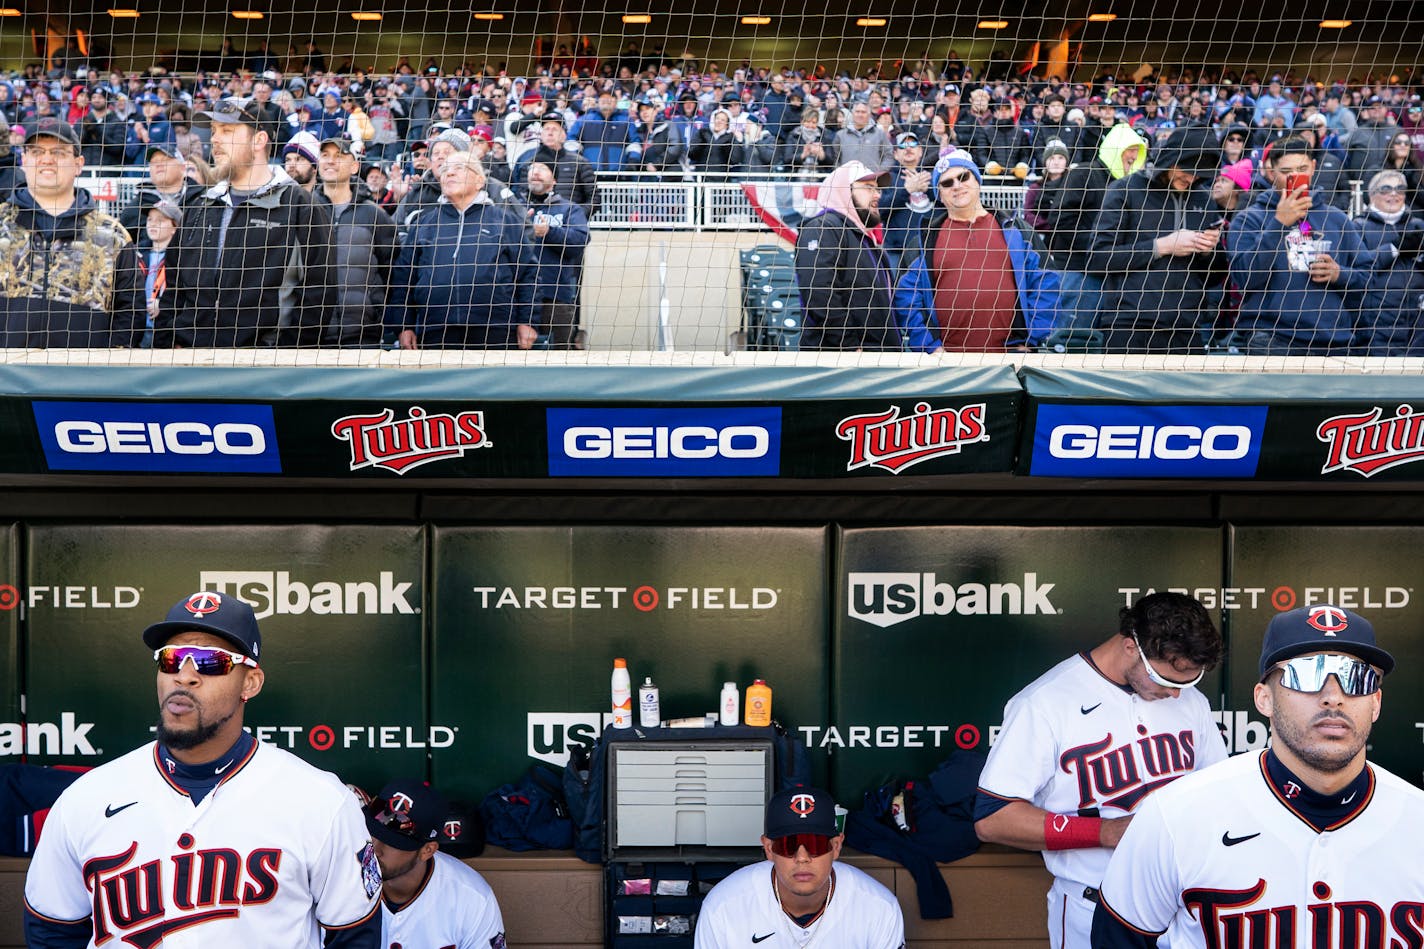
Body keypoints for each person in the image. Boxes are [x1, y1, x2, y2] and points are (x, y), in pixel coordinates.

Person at [22, 591, 382, 947]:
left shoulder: (319, 800)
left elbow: (354, 935)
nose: (185, 676)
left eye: (211, 661)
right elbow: (53, 930)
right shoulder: (86, 798)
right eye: (172, 658)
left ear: (250, 683)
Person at [1091, 605, 1419, 949]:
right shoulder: (1174, 816)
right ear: (1264, 699)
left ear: (1376, 702)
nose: (1333, 697)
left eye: (1356, 677)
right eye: (1305, 673)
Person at [974, 592, 1227, 949]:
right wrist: (1106, 831)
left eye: (1186, 682)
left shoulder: (1191, 702)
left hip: (1181, 909)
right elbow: (993, 818)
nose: (1175, 694)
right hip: (1091, 907)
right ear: (1129, 646)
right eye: (1166, 679)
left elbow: (1219, 795)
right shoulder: (1045, 703)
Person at [158, 99, 335, 347]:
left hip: (264, 367)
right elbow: (174, 286)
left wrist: (288, 354)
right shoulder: (200, 205)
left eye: (227, 131)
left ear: (259, 141)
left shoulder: (299, 206)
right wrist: (168, 342)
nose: (215, 140)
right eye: (213, 131)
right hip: (191, 362)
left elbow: (320, 293)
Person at [694, 786, 905, 949]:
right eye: (789, 846)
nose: (802, 858)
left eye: (816, 845)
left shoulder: (879, 907)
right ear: (768, 848)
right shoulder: (723, 906)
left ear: (836, 846)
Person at [894, 149, 1060, 352]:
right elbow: (907, 299)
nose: (957, 185)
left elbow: (1045, 282)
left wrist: (1031, 340)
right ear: (940, 194)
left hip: (1010, 358)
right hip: (947, 361)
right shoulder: (924, 241)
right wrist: (929, 347)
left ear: (977, 181)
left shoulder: (1016, 230)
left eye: (963, 177)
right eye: (947, 183)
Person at [0, 118, 143, 347]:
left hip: (83, 377)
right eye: (37, 152)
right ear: (24, 160)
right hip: (7, 377)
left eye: (58, 152)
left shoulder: (113, 236)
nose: (47, 159)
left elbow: (130, 313)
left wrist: (109, 367)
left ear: (78, 164)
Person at [1226, 136, 1369, 355]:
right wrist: (1278, 224)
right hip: (1273, 340)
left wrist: (1339, 273)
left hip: (1333, 340)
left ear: (1313, 167)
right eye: (1286, 171)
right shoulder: (1249, 219)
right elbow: (1243, 278)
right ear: (1271, 173)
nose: (1295, 176)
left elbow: (1369, 277)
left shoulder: (1337, 218)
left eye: (1302, 168)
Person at [1089, 124, 1226, 353]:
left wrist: (1208, 251)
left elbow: (1215, 277)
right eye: (1187, 168)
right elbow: (1098, 258)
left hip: (1186, 326)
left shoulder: (1203, 199)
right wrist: (1161, 247)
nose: (1192, 178)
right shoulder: (1124, 190)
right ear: (1171, 159)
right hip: (1129, 325)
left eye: (1199, 172)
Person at [386, 152, 536, 350]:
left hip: (495, 330)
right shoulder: (425, 223)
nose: (449, 173)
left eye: (459, 168)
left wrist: (527, 321)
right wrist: (403, 325)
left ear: (479, 180)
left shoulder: (505, 221)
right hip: (434, 330)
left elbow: (528, 275)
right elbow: (404, 277)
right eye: (446, 169)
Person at [364, 778, 506, 949]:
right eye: (373, 834)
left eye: (392, 842)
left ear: (427, 850)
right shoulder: (339, 878)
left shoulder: (472, 898)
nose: (375, 849)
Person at [794, 161, 901, 351]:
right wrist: (850, 346)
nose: (877, 195)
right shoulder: (824, 227)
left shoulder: (863, 236)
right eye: (868, 188)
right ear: (844, 190)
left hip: (875, 360)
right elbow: (819, 293)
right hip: (846, 364)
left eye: (877, 189)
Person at [315, 138, 396, 347]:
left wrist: (376, 308)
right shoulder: (303, 209)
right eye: (325, 155)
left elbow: (391, 271)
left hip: (362, 334)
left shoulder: (374, 215)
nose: (330, 161)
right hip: (308, 333)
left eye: (339, 156)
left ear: (354, 166)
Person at [522, 160, 590, 349]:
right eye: (531, 169)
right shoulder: (515, 207)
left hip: (555, 298)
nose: (535, 173)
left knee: (559, 357)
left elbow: (580, 241)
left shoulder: (570, 209)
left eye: (542, 169)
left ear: (554, 179)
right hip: (518, 300)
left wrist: (549, 232)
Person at [1357, 169, 1424, 355]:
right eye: (1386, 189)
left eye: (1400, 189)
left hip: (1418, 320)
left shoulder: (1418, 225)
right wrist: (1393, 248)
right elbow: (1357, 267)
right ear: (1371, 195)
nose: (1394, 194)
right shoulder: (1358, 226)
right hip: (1377, 321)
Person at [878, 131, 934, 274]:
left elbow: (946, 204)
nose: (908, 148)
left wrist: (928, 189)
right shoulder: (887, 178)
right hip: (897, 251)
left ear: (920, 151)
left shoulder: (932, 177)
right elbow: (880, 211)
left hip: (929, 249)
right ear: (896, 154)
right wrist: (906, 190)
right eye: (903, 145)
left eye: (913, 144)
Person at [836, 101, 893, 172]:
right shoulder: (841, 135)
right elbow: (835, 159)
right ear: (853, 114)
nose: (860, 114)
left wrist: (879, 173)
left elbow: (888, 155)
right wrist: (841, 174)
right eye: (857, 111)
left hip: (872, 180)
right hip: (848, 180)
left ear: (869, 115)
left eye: (863, 112)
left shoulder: (879, 134)